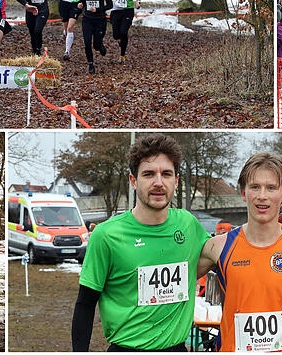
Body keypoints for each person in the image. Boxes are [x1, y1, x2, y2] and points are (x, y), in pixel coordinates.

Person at [71, 134, 209, 351]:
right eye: (148, 174)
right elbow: (85, 304)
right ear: (133, 181)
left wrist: (279, 228)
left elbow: (227, 249)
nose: (158, 182)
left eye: (166, 174)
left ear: (176, 180)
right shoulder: (107, 235)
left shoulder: (188, 224)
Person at [196, 153, 282, 352]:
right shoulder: (217, 247)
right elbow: (178, 278)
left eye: (271, 188)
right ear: (244, 193)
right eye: (255, 187)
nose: (262, 196)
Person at [77, 0, 112, 74]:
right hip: (87, 20)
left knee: (96, 45)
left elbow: (110, 5)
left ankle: (101, 46)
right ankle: (90, 64)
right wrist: (80, 5)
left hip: (100, 20)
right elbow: (82, 1)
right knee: (87, 42)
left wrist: (97, 9)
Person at [108, 0, 141, 64]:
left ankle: (122, 55)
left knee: (123, 32)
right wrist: (107, 5)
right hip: (116, 10)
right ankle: (120, 40)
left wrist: (138, 2)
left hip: (128, 10)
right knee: (115, 35)